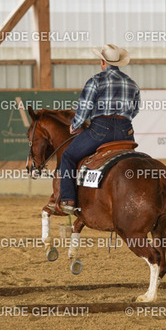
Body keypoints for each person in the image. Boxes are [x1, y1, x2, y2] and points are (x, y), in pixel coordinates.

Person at [59, 44, 140, 215]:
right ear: (118, 63)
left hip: (100, 130)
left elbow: (84, 108)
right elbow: (135, 110)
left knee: (68, 156)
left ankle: (68, 199)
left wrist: (75, 125)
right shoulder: (132, 83)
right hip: (125, 132)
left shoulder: (95, 81)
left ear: (103, 62)